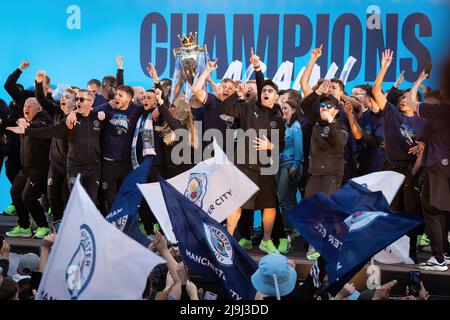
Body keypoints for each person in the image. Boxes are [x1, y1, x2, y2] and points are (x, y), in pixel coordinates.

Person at [215, 51, 285, 254]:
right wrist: (238, 92)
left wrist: (270, 147)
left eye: (271, 91)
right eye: (264, 90)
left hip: (264, 168)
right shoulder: (247, 108)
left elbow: (280, 144)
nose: (266, 93)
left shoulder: (278, 118)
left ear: (277, 97)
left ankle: (266, 240)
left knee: (270, 205)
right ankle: (228, 236)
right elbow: (223, 109)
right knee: (237, 204)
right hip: (244, 165)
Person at [372, 49, 427, 262]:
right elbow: (376, 91)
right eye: (402, 98)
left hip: (411, 170)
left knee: (410, 212)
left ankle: (411, 250)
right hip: (390, 167)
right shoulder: (393, 114)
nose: (404, 101)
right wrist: (384, 67)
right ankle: (391, 252)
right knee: (391, 212)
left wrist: (424, 145)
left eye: (408, 98)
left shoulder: (423, 123)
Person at [406, 56, 450, 271]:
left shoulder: (440, 111)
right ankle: (445, 255)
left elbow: (411, 103)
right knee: (441, 211)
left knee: (431, 211)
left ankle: (439, 258)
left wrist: (417, 82)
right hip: (445, 166)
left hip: (436, 167)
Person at [5, 98, 52, 239]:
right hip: (26, 169)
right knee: (15, 192)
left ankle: (44, 226)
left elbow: (40, 125)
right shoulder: (23, 121)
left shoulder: (43, 119)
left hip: (39, 170)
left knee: (28, 197)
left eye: (31, 106)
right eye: (25, 105)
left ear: (39, 109)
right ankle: (25, 226)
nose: (27, 107)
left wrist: (28, 125)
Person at [34, 70, 77, 223]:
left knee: (66, 198)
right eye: (62, 97)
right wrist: (39, 83)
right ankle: (57, 226)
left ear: (74, 102)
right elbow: (41, 98)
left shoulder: (80, 117)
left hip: (70, 165)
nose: (62, 99)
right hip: (55, 163)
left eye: (67, 97)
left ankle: (69, 227)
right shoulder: (55, 112)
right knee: (52, 197)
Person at [274, 100, 303, 252]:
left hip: (289, 165)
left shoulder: (296, 127)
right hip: (278, 165)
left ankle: (288, 234)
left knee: (284, 201)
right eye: (281, 108)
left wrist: (296, 165)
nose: (283, 111)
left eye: (285, 108)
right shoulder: (282, 126)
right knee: (286, 200)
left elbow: (299, 148)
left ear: (293, 110)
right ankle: (292, 229)